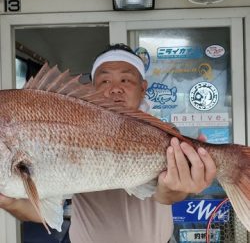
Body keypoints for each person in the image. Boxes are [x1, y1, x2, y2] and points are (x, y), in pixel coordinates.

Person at [0, 43, 216, 243]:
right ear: (92, 89)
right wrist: (7, 201)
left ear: (143, 87)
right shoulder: (74, 130)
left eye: (125, 80)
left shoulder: (167, 137)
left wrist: (180, 187)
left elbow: (166, 194)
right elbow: (43, 212)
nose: (115, 88)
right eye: (105, 80)